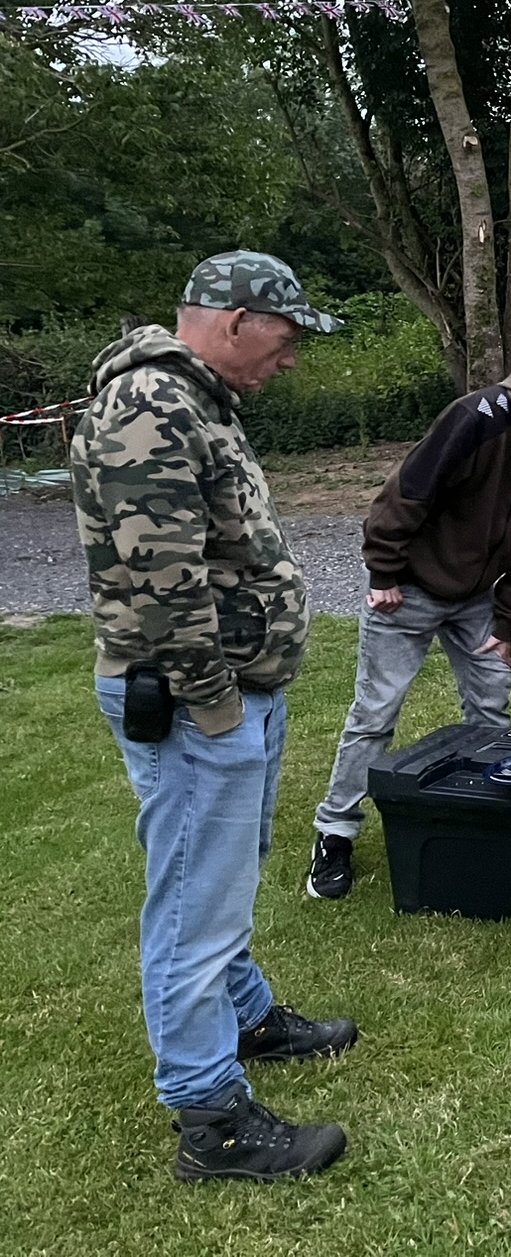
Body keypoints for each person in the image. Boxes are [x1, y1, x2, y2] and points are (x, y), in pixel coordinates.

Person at [71, 251, 358, 1181]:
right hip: (201, 705)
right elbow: (163, 588)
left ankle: (245, 1015)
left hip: (229, 697)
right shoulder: (149, 406)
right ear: (234, 320)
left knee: (223, 877)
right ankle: (212, 1118)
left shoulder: (195, 401)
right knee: (195, 902)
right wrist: (221, 707)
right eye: (283, 339)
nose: (290, 360)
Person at [305, 357, 511, 899]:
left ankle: (487, 819)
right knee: (375, 715)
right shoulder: (478, 417)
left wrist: (506, 618)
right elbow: (408, 491)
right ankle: (335, 833)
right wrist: (384, 569)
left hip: (476, 601)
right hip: (405, 593)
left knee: (490, 710)